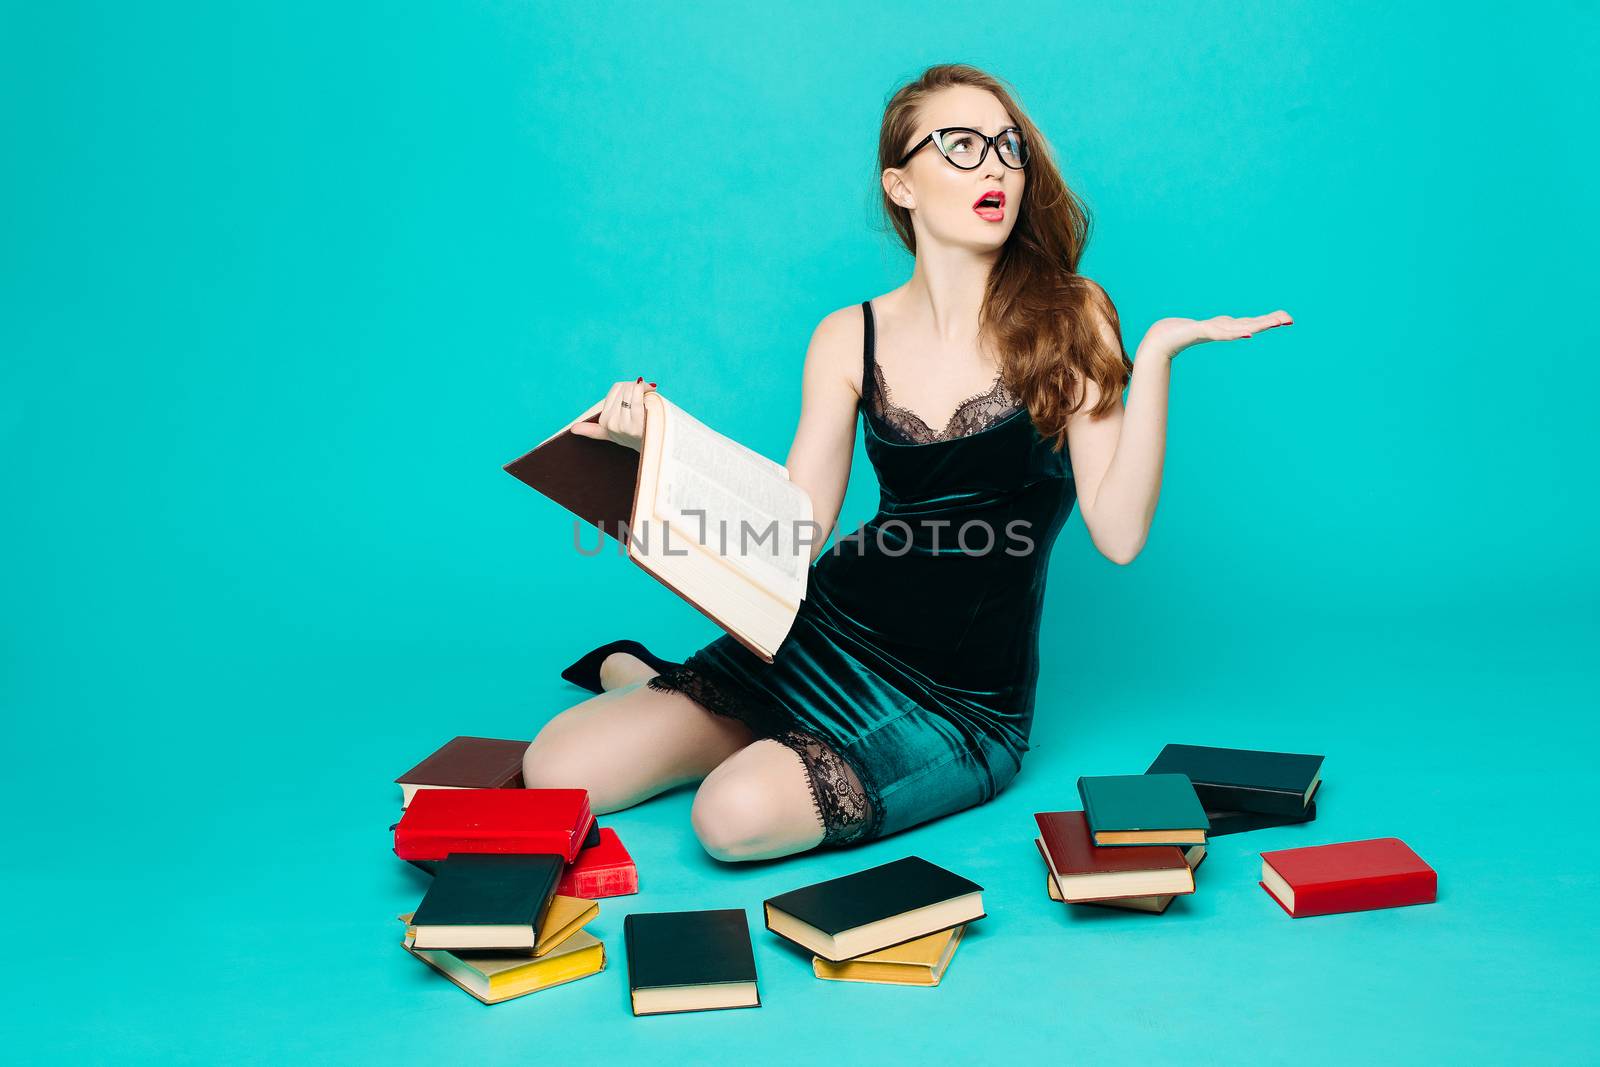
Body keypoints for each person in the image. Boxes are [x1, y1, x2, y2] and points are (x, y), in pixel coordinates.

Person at [522, 63, 1291, 862]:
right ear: (902, 185)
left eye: (1007, 145)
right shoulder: (846, 335)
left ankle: (678, 702)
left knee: (730, 818)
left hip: (954, 702)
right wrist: (650, 447)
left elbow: (1120, 533)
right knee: (554, 768)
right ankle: (671, 690)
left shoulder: (1075, 317)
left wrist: (1158, 354)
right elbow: (792, 531)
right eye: (960, 144)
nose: (994, 164)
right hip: (817, 633)